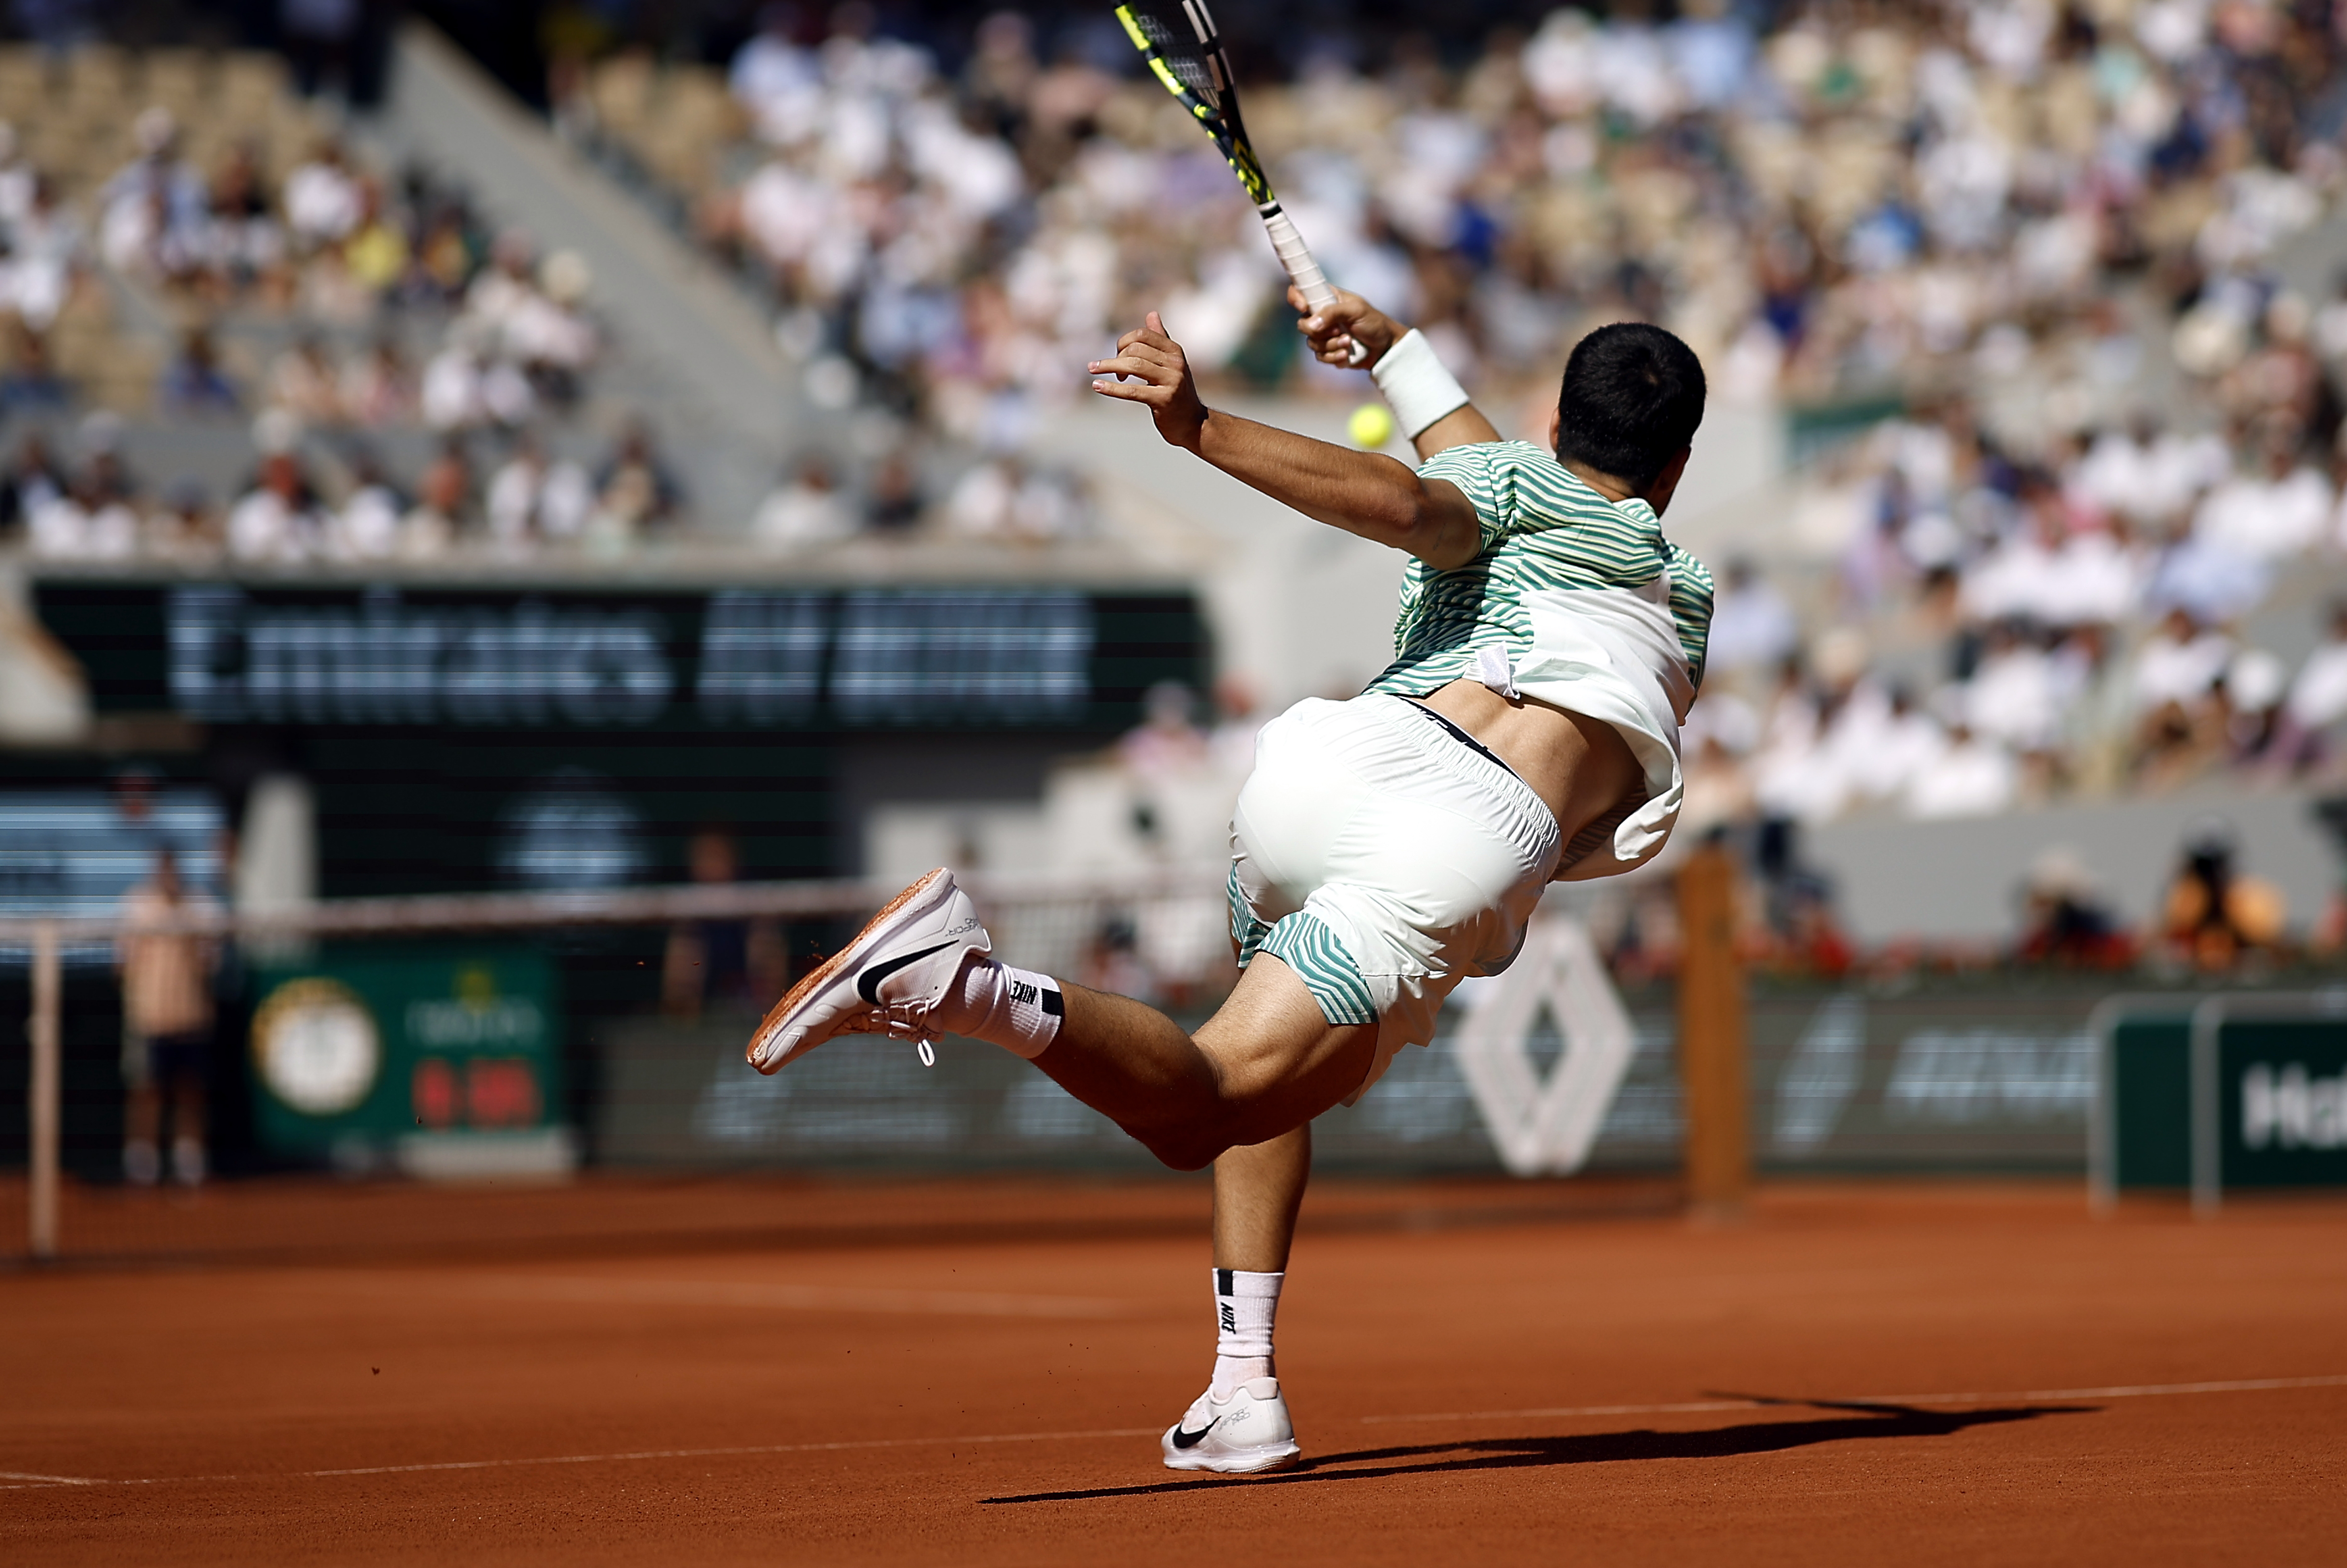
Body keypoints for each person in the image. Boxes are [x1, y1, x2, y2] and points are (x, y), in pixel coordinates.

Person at [743, 287, 1714, 1476]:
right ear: (1673, 471)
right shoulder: (1686, 598)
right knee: (1204, 1103)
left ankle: (1244, 1386)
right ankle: (958, 979)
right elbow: (1438, 498)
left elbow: (1444, 495)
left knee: (1248, 1083)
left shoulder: (1516, 482)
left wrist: (1277, 398)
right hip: (1464, 836)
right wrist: (1325, 380)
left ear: (1554, 420)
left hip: (1334, 760)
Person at [116, 848, 221, 1187]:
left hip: (190, 1018)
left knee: (191, 1089)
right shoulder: (137, 905)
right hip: (149, 1019)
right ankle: (142, 1162)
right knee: (147, 1089)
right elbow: (122, 965)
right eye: (163, 870)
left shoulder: (200, 906)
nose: (169, 876)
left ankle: (189, 1160)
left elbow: (211, 964)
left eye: (173, 870)